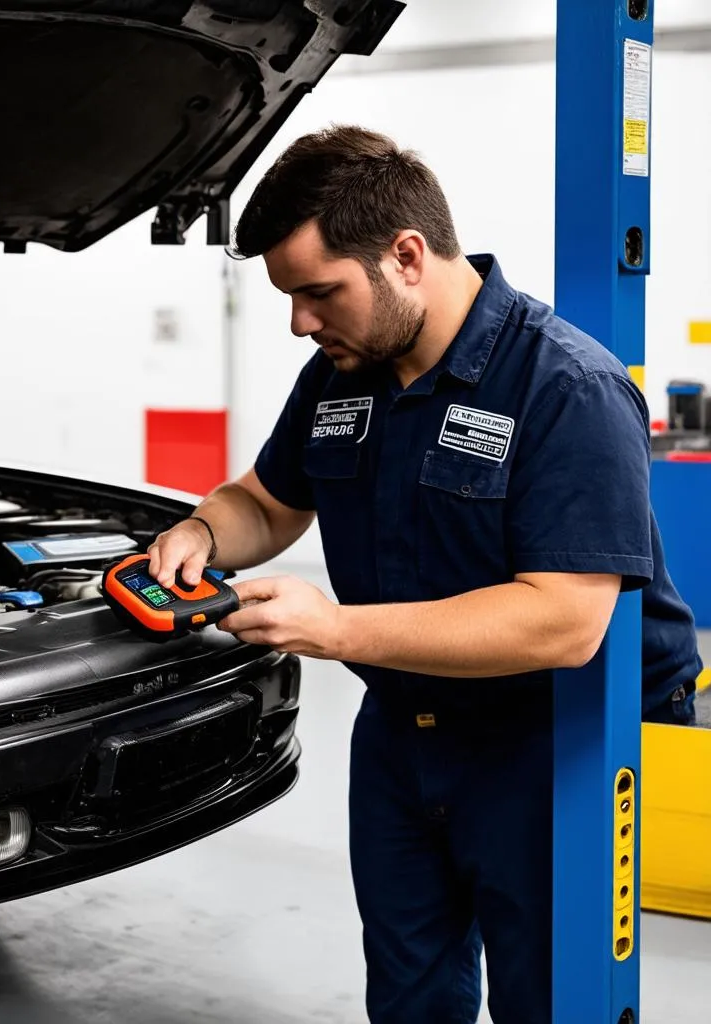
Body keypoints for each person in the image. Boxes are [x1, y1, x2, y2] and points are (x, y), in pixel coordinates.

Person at [146, 126, 703, 1024]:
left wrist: (335, 630)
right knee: (410, 993)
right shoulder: (342, 373)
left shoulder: (566, 388)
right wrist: (204, 530)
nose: (300, 321)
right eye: (289, 297)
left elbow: (563, 621)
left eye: (319, 292)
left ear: (406, 256)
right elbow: (269, 499)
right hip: (406, 732)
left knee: (553, 1001)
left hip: (558, 739)